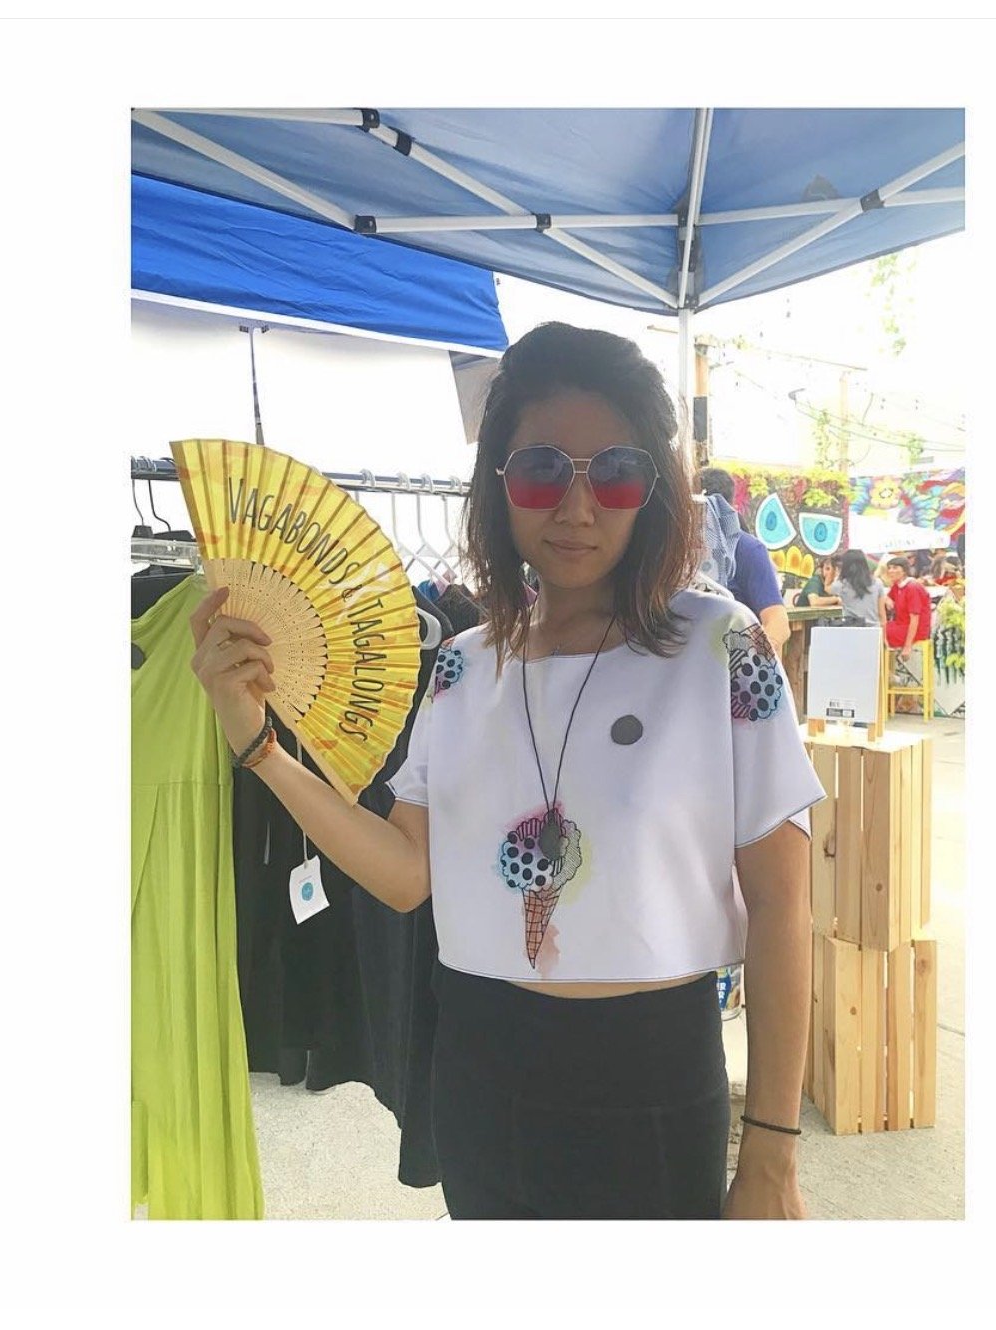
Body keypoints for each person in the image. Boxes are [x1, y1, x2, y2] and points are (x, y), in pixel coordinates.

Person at [188, 323, 825, 1221]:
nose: (577, 507)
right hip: (482, 1072)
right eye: (541, 471)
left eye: (614, 472)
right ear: (498, 485)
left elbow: (784, 906)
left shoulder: (720, 648)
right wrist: (257, 743)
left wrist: (772, 1152)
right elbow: (405, 874)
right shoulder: (461, 666)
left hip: (651, 1080)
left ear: (653, 489)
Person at [697, 467, 790, 652]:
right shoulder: (677, 550)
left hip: (732, 658)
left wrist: (741, 653)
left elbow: (778, 623)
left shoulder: (746, 549)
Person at [884, 554, 932, 661]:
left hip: (916, 630)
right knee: (878, 627)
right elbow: (887, 596)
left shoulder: (912, 588)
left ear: (904, 571)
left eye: (895, 568)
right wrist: (887, 599)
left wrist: (907, 646)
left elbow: (915, 618)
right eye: (889, 568)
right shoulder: (897, 586)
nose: (891, 571)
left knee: (882, 634)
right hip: (901, 624)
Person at [830, 547, 888, 631]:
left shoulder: (841, 585)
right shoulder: (877, 583)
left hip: (851, 629)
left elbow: (828, 588)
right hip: (873, 630)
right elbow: (882, 614)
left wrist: (833, 572)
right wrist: (884, 635)